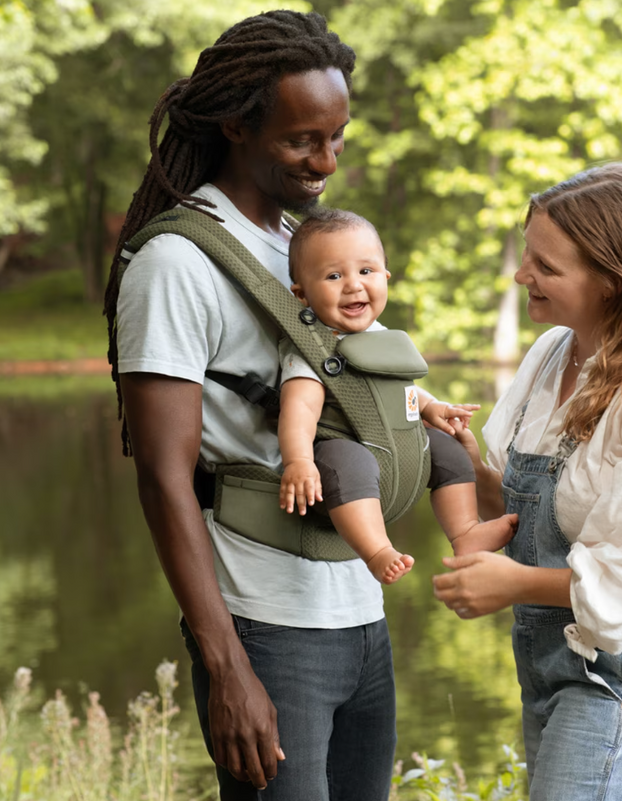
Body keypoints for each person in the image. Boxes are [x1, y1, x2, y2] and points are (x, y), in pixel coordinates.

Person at [104, 11, 399, 801]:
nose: (327, 160)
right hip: (266, 628)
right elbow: (164, 479)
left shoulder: (312, 248)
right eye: (304, 139)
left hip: (360, 615)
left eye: (338, 137)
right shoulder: (177, 263)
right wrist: (226, 664)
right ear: (237, 125)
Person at [432, 162, 622, 800]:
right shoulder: (553, 352)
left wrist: (512, 583)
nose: (523, 276)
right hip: (553, 661)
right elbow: (536, 506)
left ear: (612, 280)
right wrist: (466, 469)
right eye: (527, 257)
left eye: (546, 266)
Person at [278, 208, 518, 583]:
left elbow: (400, 384)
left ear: (386, 278)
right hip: (344, 442)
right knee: (347, 463)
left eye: (366, 271)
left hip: (396, 442)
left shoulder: (381, 336)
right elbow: (299, 409)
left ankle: (465, 532)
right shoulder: (312, 351)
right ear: (302, 294)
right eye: (333, 275)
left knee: (448, 450)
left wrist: (432, 406)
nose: (354, 285)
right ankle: (377, 550)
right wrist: (298, 461)